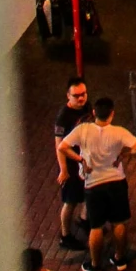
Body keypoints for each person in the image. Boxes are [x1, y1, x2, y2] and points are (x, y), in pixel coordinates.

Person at [58, 95, 136, 271]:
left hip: (94, 183)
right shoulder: (119, 132)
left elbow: (63, 147)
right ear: (112, 114)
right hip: (116, 180)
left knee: (96, 226)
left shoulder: (83, 130)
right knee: (119, 222)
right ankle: (120, 259)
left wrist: (80, 159)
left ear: (94, 112)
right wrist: (124, 156)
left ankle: (95, 265)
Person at [54, 73, 90, 248]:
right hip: (71, 164)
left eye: (83, 94)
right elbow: (59, 145)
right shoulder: (63, 117)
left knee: (88, 193)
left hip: (85, 160)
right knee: (70, 202)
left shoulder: (86, 107)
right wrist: (63, 170)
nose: (81, 98)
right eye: (76, 95)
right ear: (68, 96)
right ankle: (65, 236)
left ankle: (84, 220)